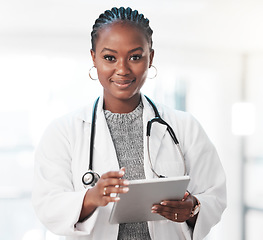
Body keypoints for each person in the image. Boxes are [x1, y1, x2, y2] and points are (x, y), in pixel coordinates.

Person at [32, 6, 226, 240]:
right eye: (109, 57)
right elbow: (47, 205)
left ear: (150, 57)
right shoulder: (64, 132)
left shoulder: (185, 126)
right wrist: (91, 198)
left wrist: (193, 208)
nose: (122, 69)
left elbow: (215, 195)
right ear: (94, 58)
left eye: (135, 56)